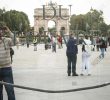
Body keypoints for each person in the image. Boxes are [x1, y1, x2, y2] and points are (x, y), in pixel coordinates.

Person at [0, 26, 16, 100]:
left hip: (6, 69)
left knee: (10, 90)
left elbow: (15, 41)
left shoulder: (7, 40)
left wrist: (9, 32)